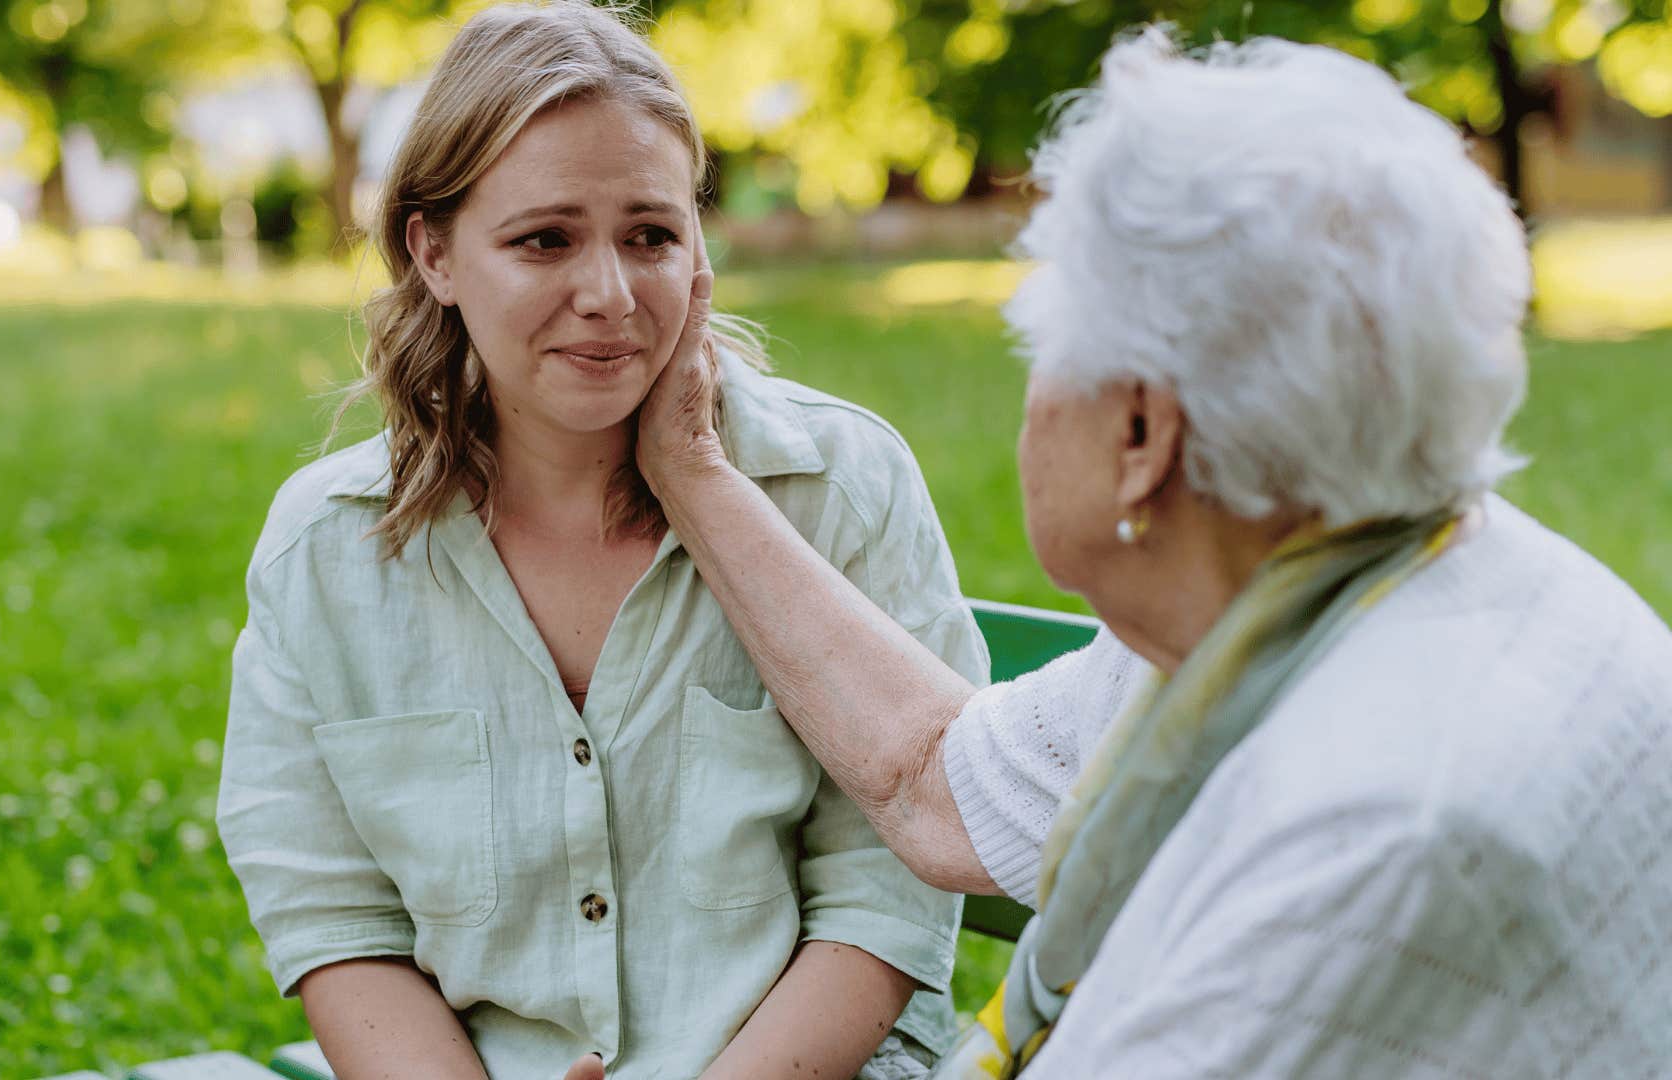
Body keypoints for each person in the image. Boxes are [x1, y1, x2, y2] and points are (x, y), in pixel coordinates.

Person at [633, 28, 1672, 1078]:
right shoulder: (1353, 583)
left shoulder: (1366, 832)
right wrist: (692, 471)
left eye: (1045, 359)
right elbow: (932, 784)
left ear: (1140, 439)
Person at [215, 4, 985, 1077]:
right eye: (545, 239)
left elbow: (888, 890)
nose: (610, 297)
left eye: (651, 236)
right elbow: (333, 913)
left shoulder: (838, 489)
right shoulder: (326, 550)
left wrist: (697, 475)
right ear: (430, 250)